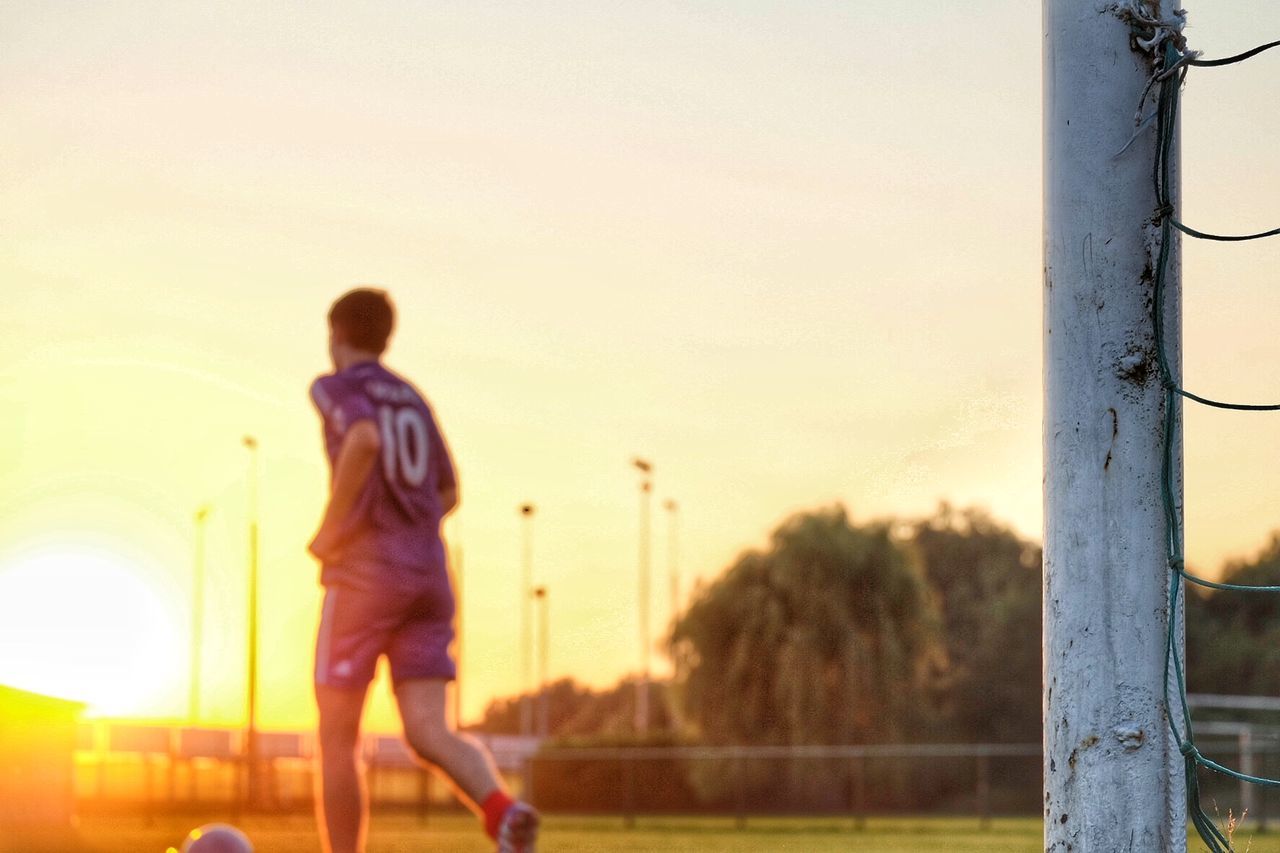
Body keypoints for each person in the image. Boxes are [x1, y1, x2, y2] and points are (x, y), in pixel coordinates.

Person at [307, 288, 538, 853]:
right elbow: (449, 490)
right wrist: (410, 528)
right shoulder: (413, 397)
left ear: (336, 333)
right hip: (429, 577)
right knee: (429, 731)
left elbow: (362, 439)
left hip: (365, 578)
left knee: (337, 739)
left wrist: (333, 531)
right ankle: (502, 810)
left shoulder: (335, 385)